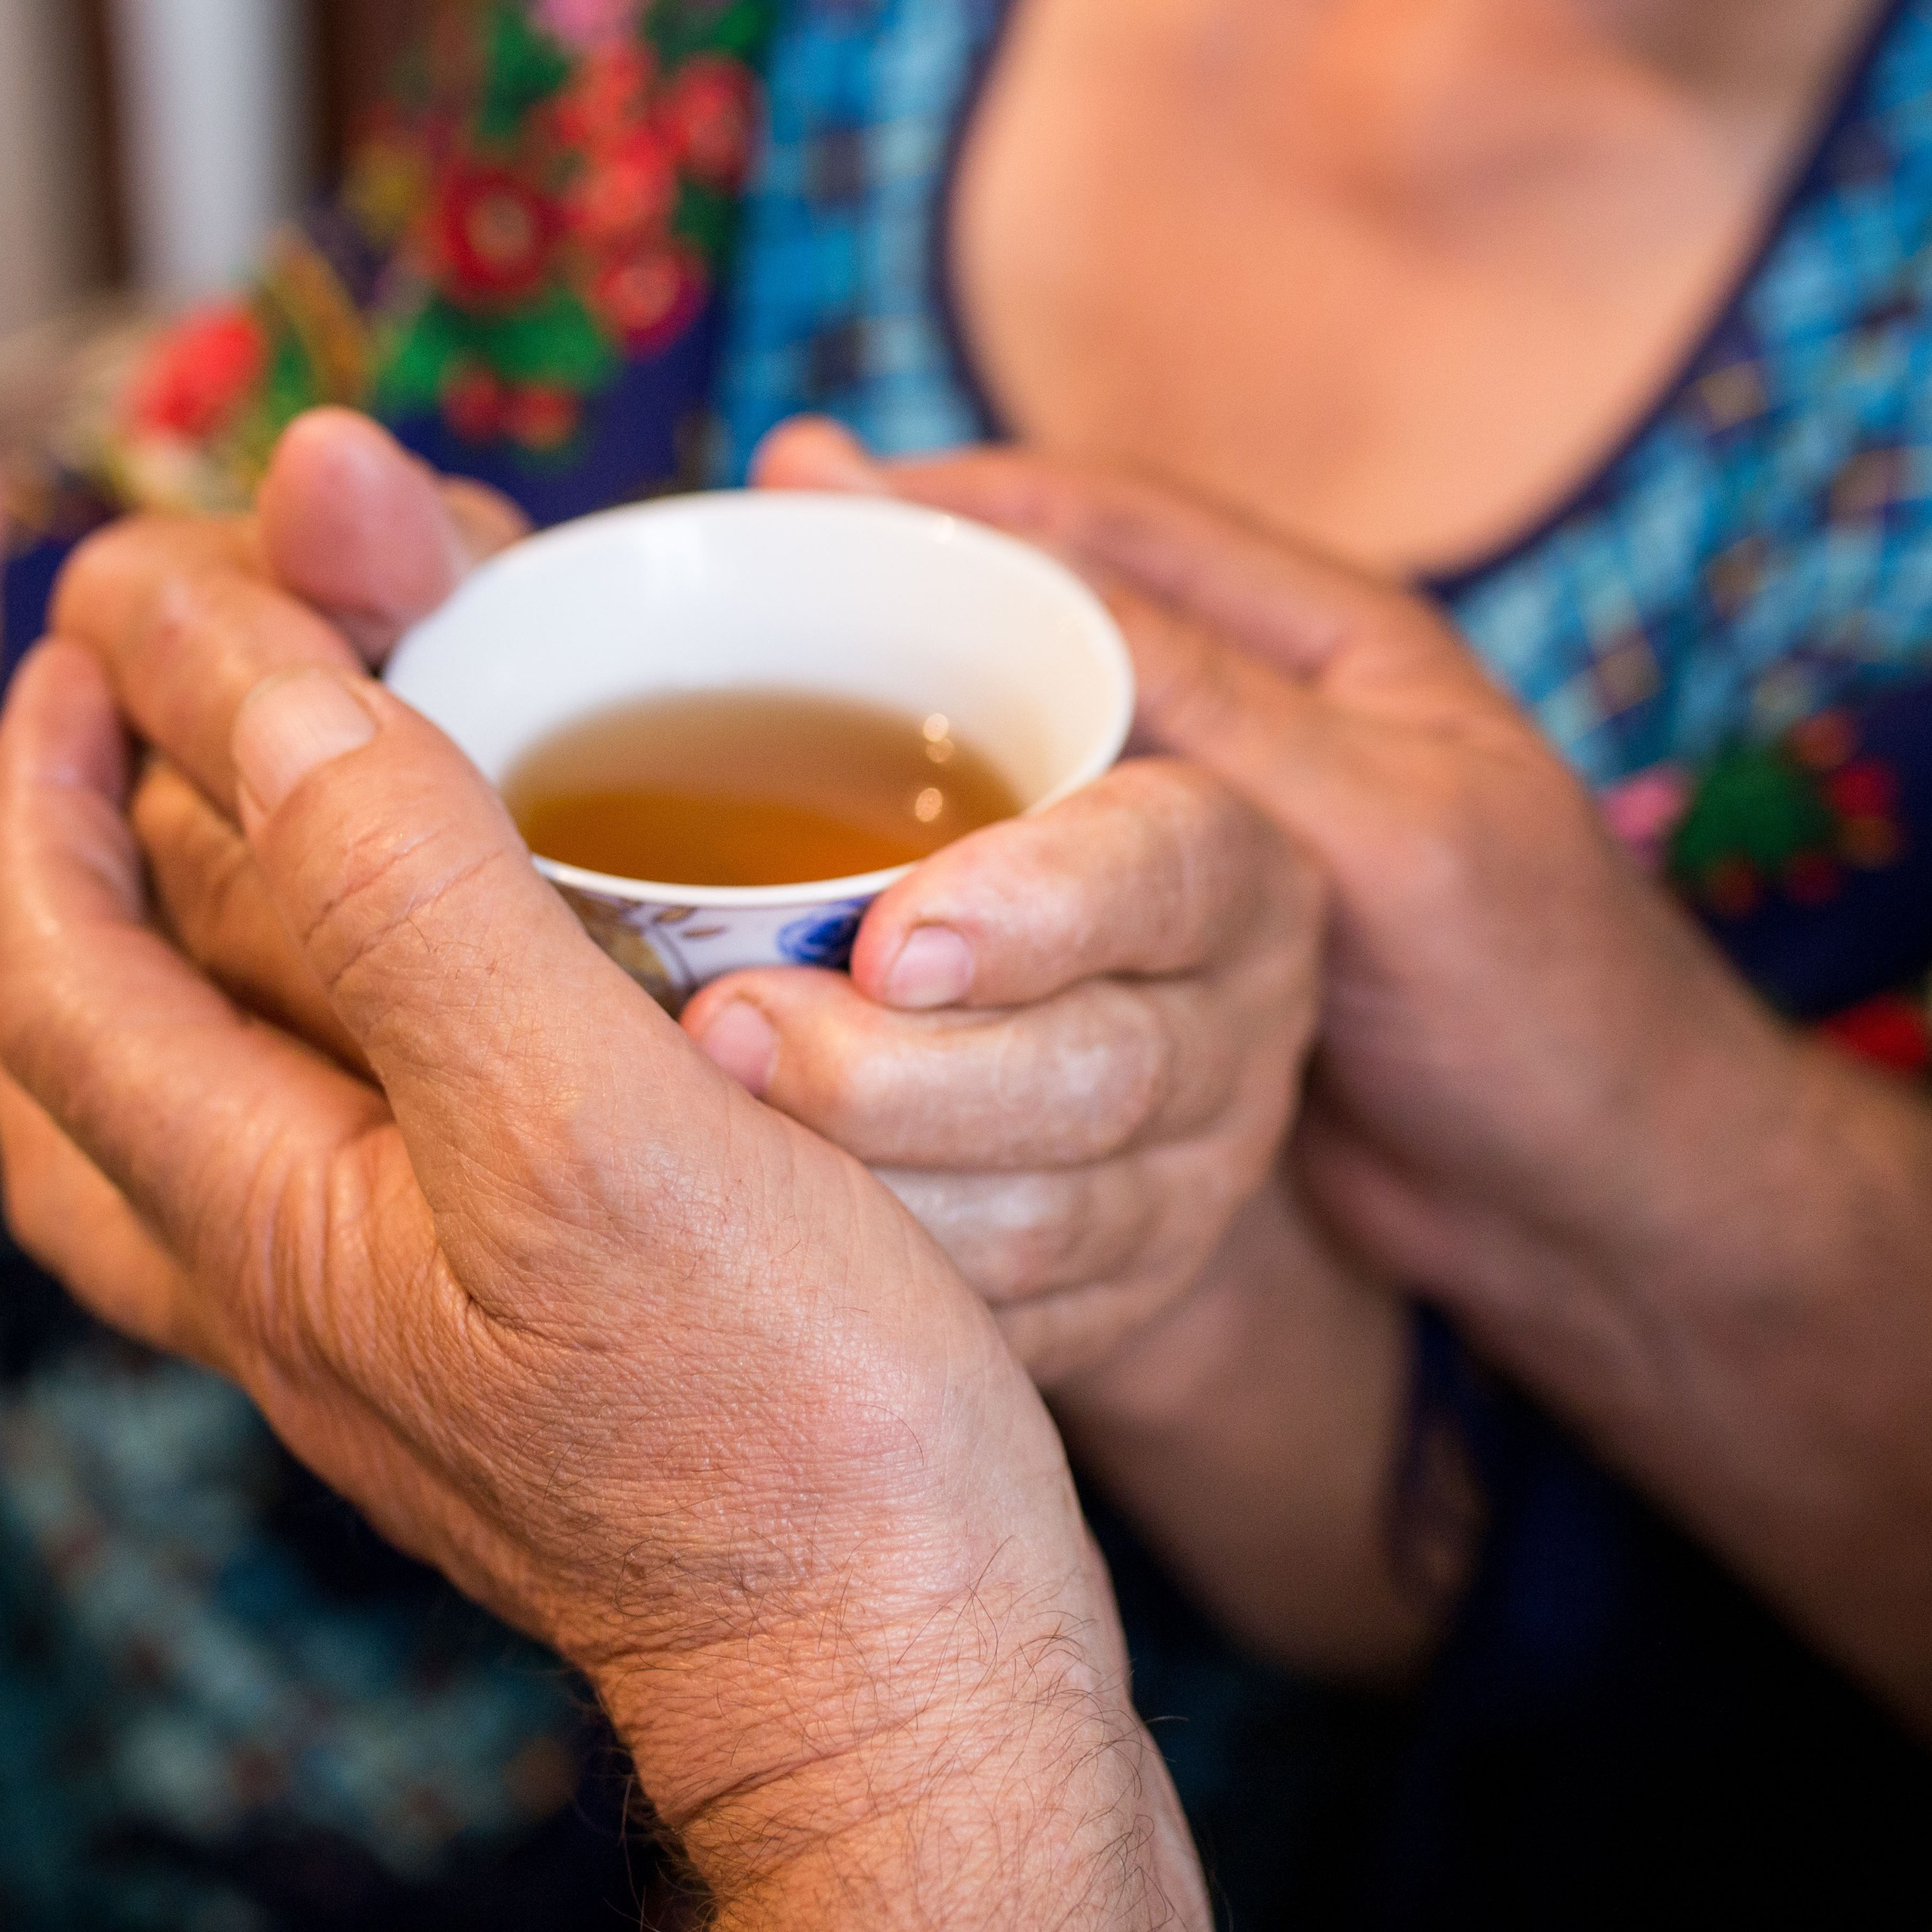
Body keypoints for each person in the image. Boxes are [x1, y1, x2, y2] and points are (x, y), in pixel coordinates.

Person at [8, 0, 1932, 1919]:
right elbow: (143, 551)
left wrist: (1176, 1271)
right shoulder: (689, 47)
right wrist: (183, 719)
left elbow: (1575, 1651)